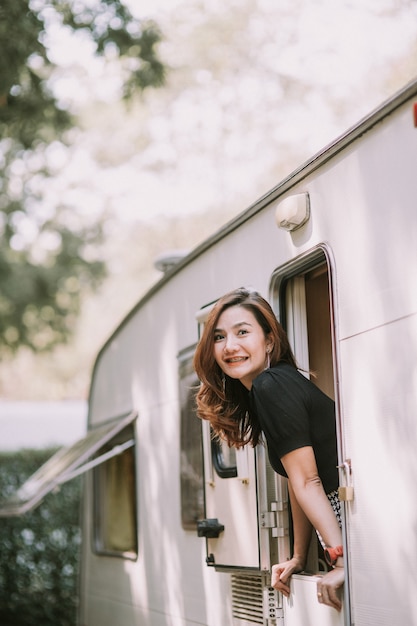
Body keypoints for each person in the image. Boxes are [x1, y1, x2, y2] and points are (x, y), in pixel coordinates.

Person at [193, 287, 344, 611]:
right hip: (339, 525)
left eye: (242, 332)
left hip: (347, 522)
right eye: (219, 337)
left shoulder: (270, 384)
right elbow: (297, 480)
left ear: (269, 341)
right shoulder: (272, 385)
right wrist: (299, 556)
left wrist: (342, 559)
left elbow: (309, 482)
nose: (230, 346)